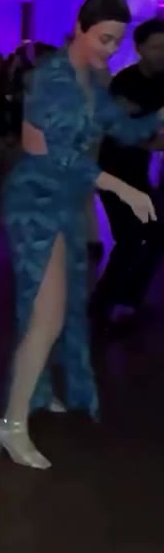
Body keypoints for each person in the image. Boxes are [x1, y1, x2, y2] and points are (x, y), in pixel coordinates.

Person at [0, 0, 164, 470]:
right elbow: (53, 154)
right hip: (36, 201)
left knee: (58, 307)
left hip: (65, 201)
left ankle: (37, 390)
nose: (111, 49)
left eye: (117, 41)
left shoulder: (92, 78)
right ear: (81, 28)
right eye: (104, 38)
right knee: (46, 315)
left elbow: (121, 128)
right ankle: (10, 423)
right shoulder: (51, 78)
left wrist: (157, 119)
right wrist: (123, 188)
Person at [92, 17, 164, 325]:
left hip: (137, 174)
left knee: (156, 237)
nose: (163, 54)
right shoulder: (125, 84)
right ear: (140, 48)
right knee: (130, 240)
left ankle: (127, 300)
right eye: (157, 47)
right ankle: (102, 306)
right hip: (113, 174)